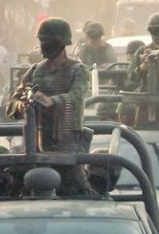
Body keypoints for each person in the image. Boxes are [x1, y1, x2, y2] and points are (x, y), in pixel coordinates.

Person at [6, 17, 94, 196]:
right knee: (10, 187)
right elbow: (11, 104)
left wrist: (53, 101)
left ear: (62, 44)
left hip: (68, 145)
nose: (44, 45)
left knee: (77, 192)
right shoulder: (34, 71)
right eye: (41, 41)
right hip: (34, 144)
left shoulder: (78, 70)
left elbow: (77, 96)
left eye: (49, 42)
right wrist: (21, 106)